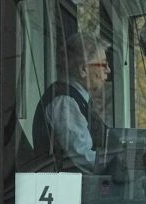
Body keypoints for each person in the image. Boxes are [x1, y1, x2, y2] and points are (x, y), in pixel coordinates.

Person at [31, 32, 111, 172]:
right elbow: (82, 157)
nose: (108, 70)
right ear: (83, 70)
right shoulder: (64, 102)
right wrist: (114, 164)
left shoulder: (76, 99)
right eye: (103, 64)